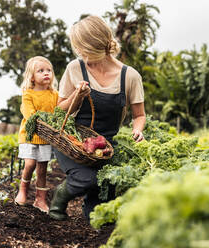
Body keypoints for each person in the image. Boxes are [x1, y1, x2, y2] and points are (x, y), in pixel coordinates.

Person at [49, 15, 146, 221]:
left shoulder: (129, 76)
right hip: (73, 142)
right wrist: (77, 96)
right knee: (86, 179)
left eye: (81, 48)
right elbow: (59, 110)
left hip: (105, 149)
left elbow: (139, 115)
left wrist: (138, 129)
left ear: (94, 46)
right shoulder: (75, 68)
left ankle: (89, 202)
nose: (79, 53)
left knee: (98, 216)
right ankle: (60, 196)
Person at [15, 56, 59, 213]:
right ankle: (23, 190)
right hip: (29, 135)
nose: (46, 73)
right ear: (32, 76)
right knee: (30, 164)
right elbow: (30, 114)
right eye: (41, 71)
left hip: (46, 138)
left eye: (49, 70)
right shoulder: (28, 94)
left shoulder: (54, 94)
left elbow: (60, 110)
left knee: (42, 169)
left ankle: (40, 200)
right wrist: (47, 121)